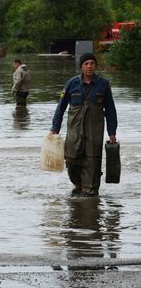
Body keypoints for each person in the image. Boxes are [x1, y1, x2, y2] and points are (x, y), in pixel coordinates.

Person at [50, 53, 117, 197]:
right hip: (74, 128)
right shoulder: (71, 83)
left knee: (92, 159)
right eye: (86, 63)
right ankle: (78, 184)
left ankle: (90, 190)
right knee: (71, 158)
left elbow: (111, 110)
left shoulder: (104, 85)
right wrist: (55, 128)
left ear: (95, 66)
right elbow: (60, 107)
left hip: (95, 129)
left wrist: (112, 132)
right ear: (81, 66)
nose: (89, 66)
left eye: (92, 63)